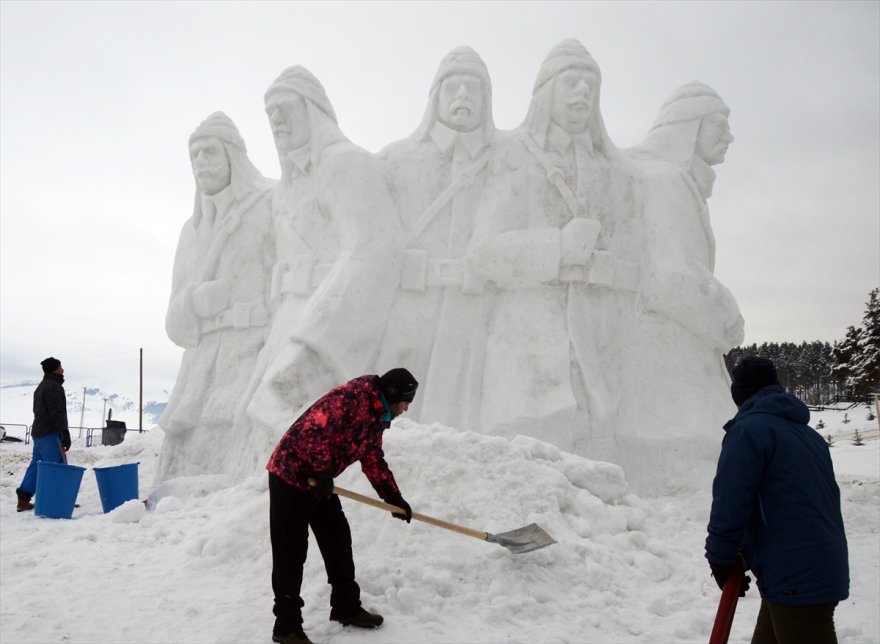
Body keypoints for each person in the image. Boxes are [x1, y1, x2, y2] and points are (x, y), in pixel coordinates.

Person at [374, 46, 496, 431]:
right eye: (453, 87)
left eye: (472, 89)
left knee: (465, 401)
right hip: (412, 302)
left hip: (471, 305)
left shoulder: (502, 160)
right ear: (435, 97)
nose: (462, 96)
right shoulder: (395, 159)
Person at [157, 111, 275, 481]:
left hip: (250, 356)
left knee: (239, 476)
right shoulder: (190, 233)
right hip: (198, 374)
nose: (200, 163)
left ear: (233, 156)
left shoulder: (271, 204)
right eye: (194, 156)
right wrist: (193, 303)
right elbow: (173, 325)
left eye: (209, 152)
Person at [266, 368, 418, 644]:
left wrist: (393, 497)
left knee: (337, 538)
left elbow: (372, 459)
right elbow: (312, 431)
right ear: (393, 395)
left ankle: (345, 607)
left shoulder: (376, 416)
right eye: (406, 401)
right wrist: (323, 470)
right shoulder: (353, 399)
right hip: (290, 476)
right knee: (291, 552)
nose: (406, 408)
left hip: (318, 481)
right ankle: (286, 627)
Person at [705, 356, 849, 644]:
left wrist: (720, 558)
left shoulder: (748, 431)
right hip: (807, 567)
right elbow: (786, 500)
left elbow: (731, 502)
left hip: (796, 577)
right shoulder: (808, 436)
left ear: (739, 395)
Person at [15, 357, 72, 512]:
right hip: (50, 432)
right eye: (60, 366)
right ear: (54, 369)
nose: (62, 369)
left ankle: (23, 499)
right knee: (56, 466)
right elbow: (57, 413)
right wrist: (64, 433)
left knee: (37, 464)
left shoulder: (41, 387)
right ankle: (57, 500)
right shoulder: (54, 387)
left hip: (38, 432)